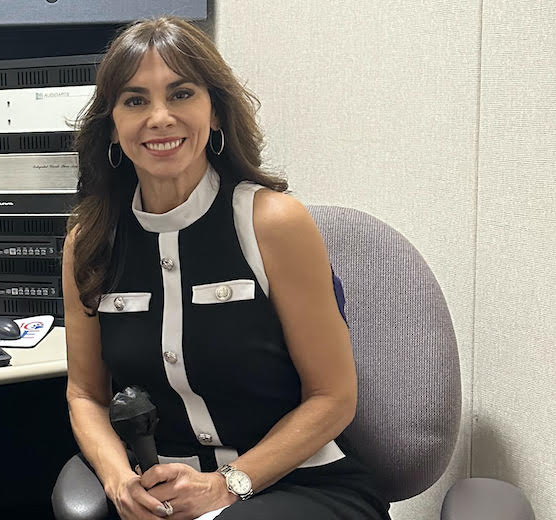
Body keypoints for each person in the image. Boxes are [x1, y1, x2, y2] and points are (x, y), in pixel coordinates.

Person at [63, 18, 389, 520]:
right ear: (112, 126)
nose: (160, 117)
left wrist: (226, 485)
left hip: (297, 484)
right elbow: (85, 393)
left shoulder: (272, 222)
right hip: (164, 493)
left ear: (215, 112)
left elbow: (333, 397)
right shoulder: (90, 242)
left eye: (181, 94)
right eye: (135, 101)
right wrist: (119, 480)